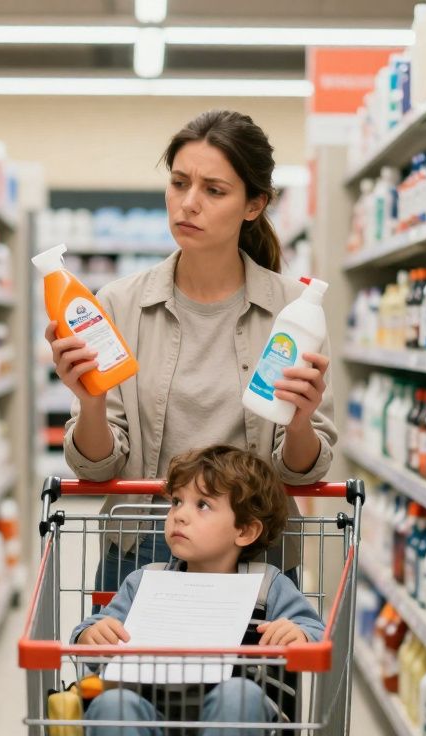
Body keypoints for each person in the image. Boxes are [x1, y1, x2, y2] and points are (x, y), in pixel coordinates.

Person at [47, 110, 338, 591]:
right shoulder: (119, 304)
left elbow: (302, 470)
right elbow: (97, 467)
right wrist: (90, 401)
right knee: (129, 672)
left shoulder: (293, 311)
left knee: (250, 673)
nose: (188, 204)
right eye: (179, 183)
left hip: (256, 549)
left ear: (253, 205)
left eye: (214, 190)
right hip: (141, 546)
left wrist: (302, 420)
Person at [72, 446, 325, 736]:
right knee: (112, 705)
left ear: (244, 531)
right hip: (153, 711)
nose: (180, 515)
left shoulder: (268, 586)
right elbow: (90, 632)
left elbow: (317, 633)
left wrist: (299, 635)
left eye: (202, 505)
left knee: (239, 696)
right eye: (177, 502)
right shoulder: (145, 581)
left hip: (238, 717)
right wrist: (93, 635)